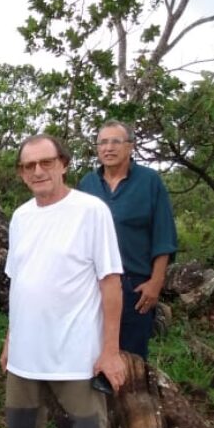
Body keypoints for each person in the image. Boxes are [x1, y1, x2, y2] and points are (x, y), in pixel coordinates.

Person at [2, 133, 127, 428]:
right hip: (25, 361)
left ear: (64, 164)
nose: (38, 171)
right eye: (29, 166)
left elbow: (111, 283)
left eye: (46, 163)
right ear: (22, 173)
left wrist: (111, 351)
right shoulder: (21, 217)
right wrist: (11, 338)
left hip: (76, 359)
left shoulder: (91, 211)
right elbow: (19, 283)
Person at [77, 120, 178, 360]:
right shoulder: (87, 184)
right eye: (102, 142)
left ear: (130, 147)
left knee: (130, 359)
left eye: (115, 142)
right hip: (93, 284)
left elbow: (163, 236)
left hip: (134, 285)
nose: (108, 148)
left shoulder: (149, 182)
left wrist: (156, 283)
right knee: (91, 353)